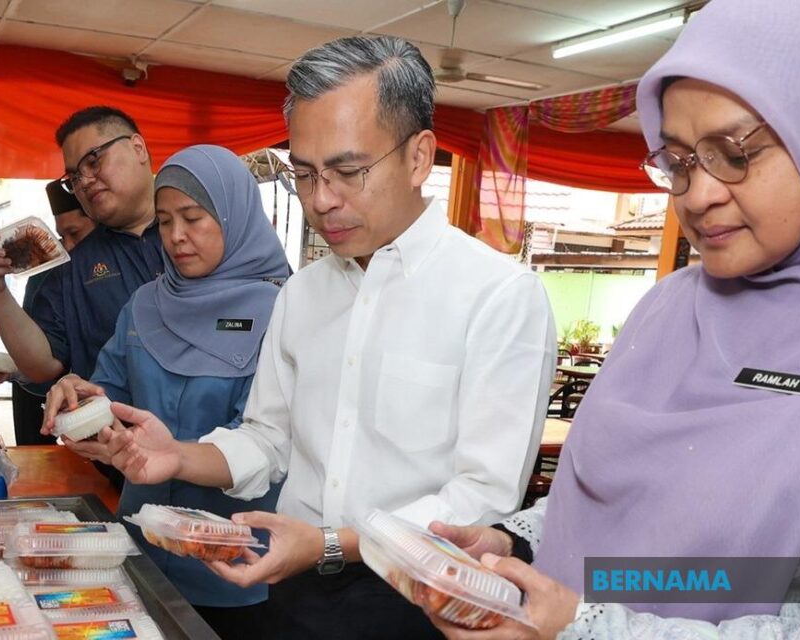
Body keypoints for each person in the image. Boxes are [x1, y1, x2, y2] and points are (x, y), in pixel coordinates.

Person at [423, 0, 800, 637]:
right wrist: (517, 540)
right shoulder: (668, 308)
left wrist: (581, 628)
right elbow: (613, 506)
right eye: (678, 161)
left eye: (733, 152)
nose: (698, 195)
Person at [101, 35, 556, 640]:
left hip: (419, 601)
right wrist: (179, 456)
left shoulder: (498, 295)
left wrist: (333, 543)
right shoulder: (303, 293)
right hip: (294, 588)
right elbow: (269, 441)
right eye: (305, 173)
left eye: (347, 171)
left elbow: (483, 494)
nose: (321, 199)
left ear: (419, 157)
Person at [42, 145, 289, 639]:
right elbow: (109, 396)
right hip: (143, 546)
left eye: (193, 218)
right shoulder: (144, 305)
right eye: (165, 221)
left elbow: (266, 443)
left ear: (234, 215)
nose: (176, 236)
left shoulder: (281, 312)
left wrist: (174, 455)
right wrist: (79, 400)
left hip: (237, 562)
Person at [0, 106, 163, 484]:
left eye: (94, 160)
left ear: (138, 148)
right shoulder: (74, 266)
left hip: (213, 457)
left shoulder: (195, 234)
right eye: (74, 176)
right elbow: (42, 366)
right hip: (116, 465)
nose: (85, 180)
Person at [12, 179, 97, 445]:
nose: (67, 246)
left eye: (75, 233)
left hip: (86, 392)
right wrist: (15, 367)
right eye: (62, 236)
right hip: (34, 388)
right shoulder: (48, 270)